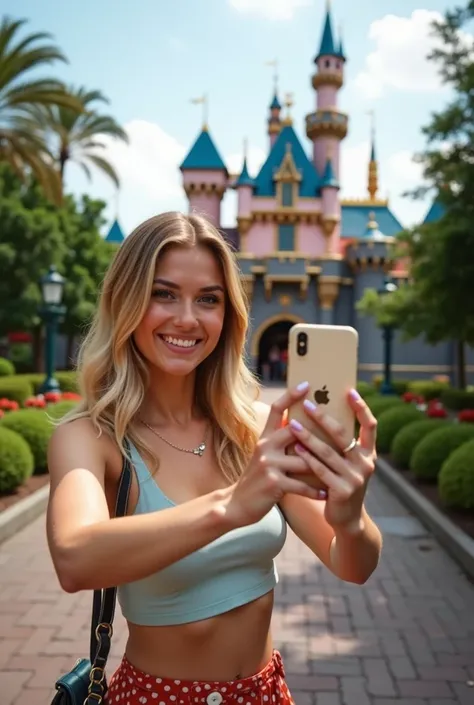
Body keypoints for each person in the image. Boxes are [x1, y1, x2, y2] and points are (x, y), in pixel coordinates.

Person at [47, 212, 382, 705]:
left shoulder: (255, 427)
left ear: (228, 316)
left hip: (265, 693)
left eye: (208, 299)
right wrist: (231, 506)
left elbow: (353, 566)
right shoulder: (91, 435)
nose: (187, 317)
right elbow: (74, 559)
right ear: (127, 302)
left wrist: (351, 520)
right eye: (164, 294)